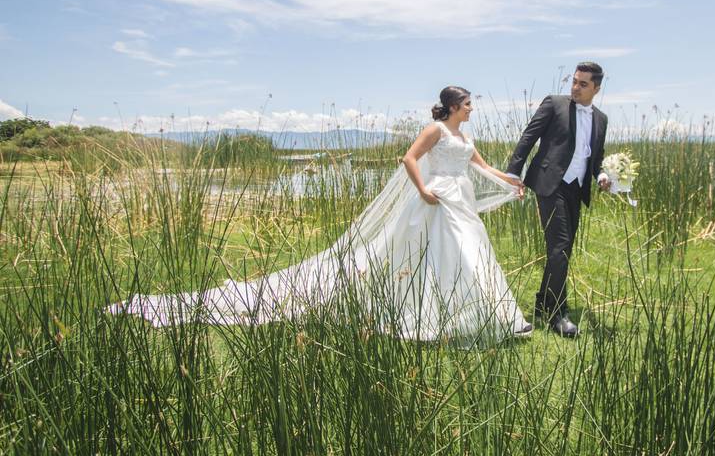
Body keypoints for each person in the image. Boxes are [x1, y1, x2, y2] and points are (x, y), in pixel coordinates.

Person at [108, 86, 533, 346]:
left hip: (459, 198)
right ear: (453, 105)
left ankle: (486, 316)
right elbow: (408, 158)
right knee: (437, 252)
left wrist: (512, 181)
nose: (472, 107)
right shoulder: (435, 131)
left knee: (471, 253)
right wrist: (422, 189)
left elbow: (482, 166)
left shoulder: (464, 134)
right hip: (437, 196)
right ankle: (436, 317)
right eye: (468, 103)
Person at [505, 62, 610, 338]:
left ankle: (543, 300)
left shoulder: (601, 119)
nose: (576, 87)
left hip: (576, 188)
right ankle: (556, 312)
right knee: (560, 246)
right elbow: (529, 137)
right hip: (549, 184)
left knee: (562, 247)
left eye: (583, 84)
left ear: (596, 88)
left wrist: (601, 176)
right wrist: (513, 172)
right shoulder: (554, 103)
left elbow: (595, 159)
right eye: (574, 81)